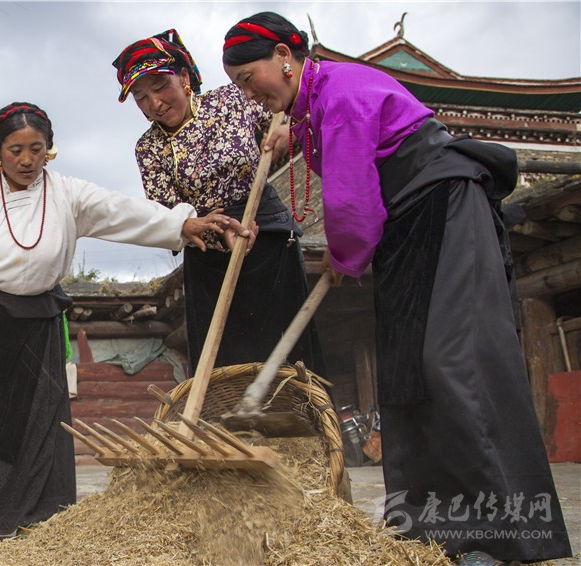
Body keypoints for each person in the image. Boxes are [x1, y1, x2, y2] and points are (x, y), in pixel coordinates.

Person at [221, 11, 571, 565]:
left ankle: (500, 535)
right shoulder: (315, 103)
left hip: (445, 208)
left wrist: (346, 251)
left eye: (248, 79)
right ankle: (435, 531)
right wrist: (296, 130)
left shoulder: (341, 93)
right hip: (405, 230)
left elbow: (352, 199)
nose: (249, 94)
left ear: (285, 56)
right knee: (408, 371)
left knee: (453, 361)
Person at [0, 101, 252, 543]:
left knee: (36, 420)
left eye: (36, 148)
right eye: (15, 150)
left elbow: (120, 211)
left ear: (49, 149)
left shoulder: (68, 194)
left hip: (37, 320)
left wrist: (180, 224)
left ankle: (34, 513)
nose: (27, 160)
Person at [112, 29, 325, 375]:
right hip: (209, 255)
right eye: (141, 97)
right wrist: (216, 232)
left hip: (268, 235)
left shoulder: (232, 99)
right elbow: (169, 215)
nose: (155, 103)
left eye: (161, 87)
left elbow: (286, 110)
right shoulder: (148, 148)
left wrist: (289, 130)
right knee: (226, 364)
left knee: (287, 350)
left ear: (184, 77)